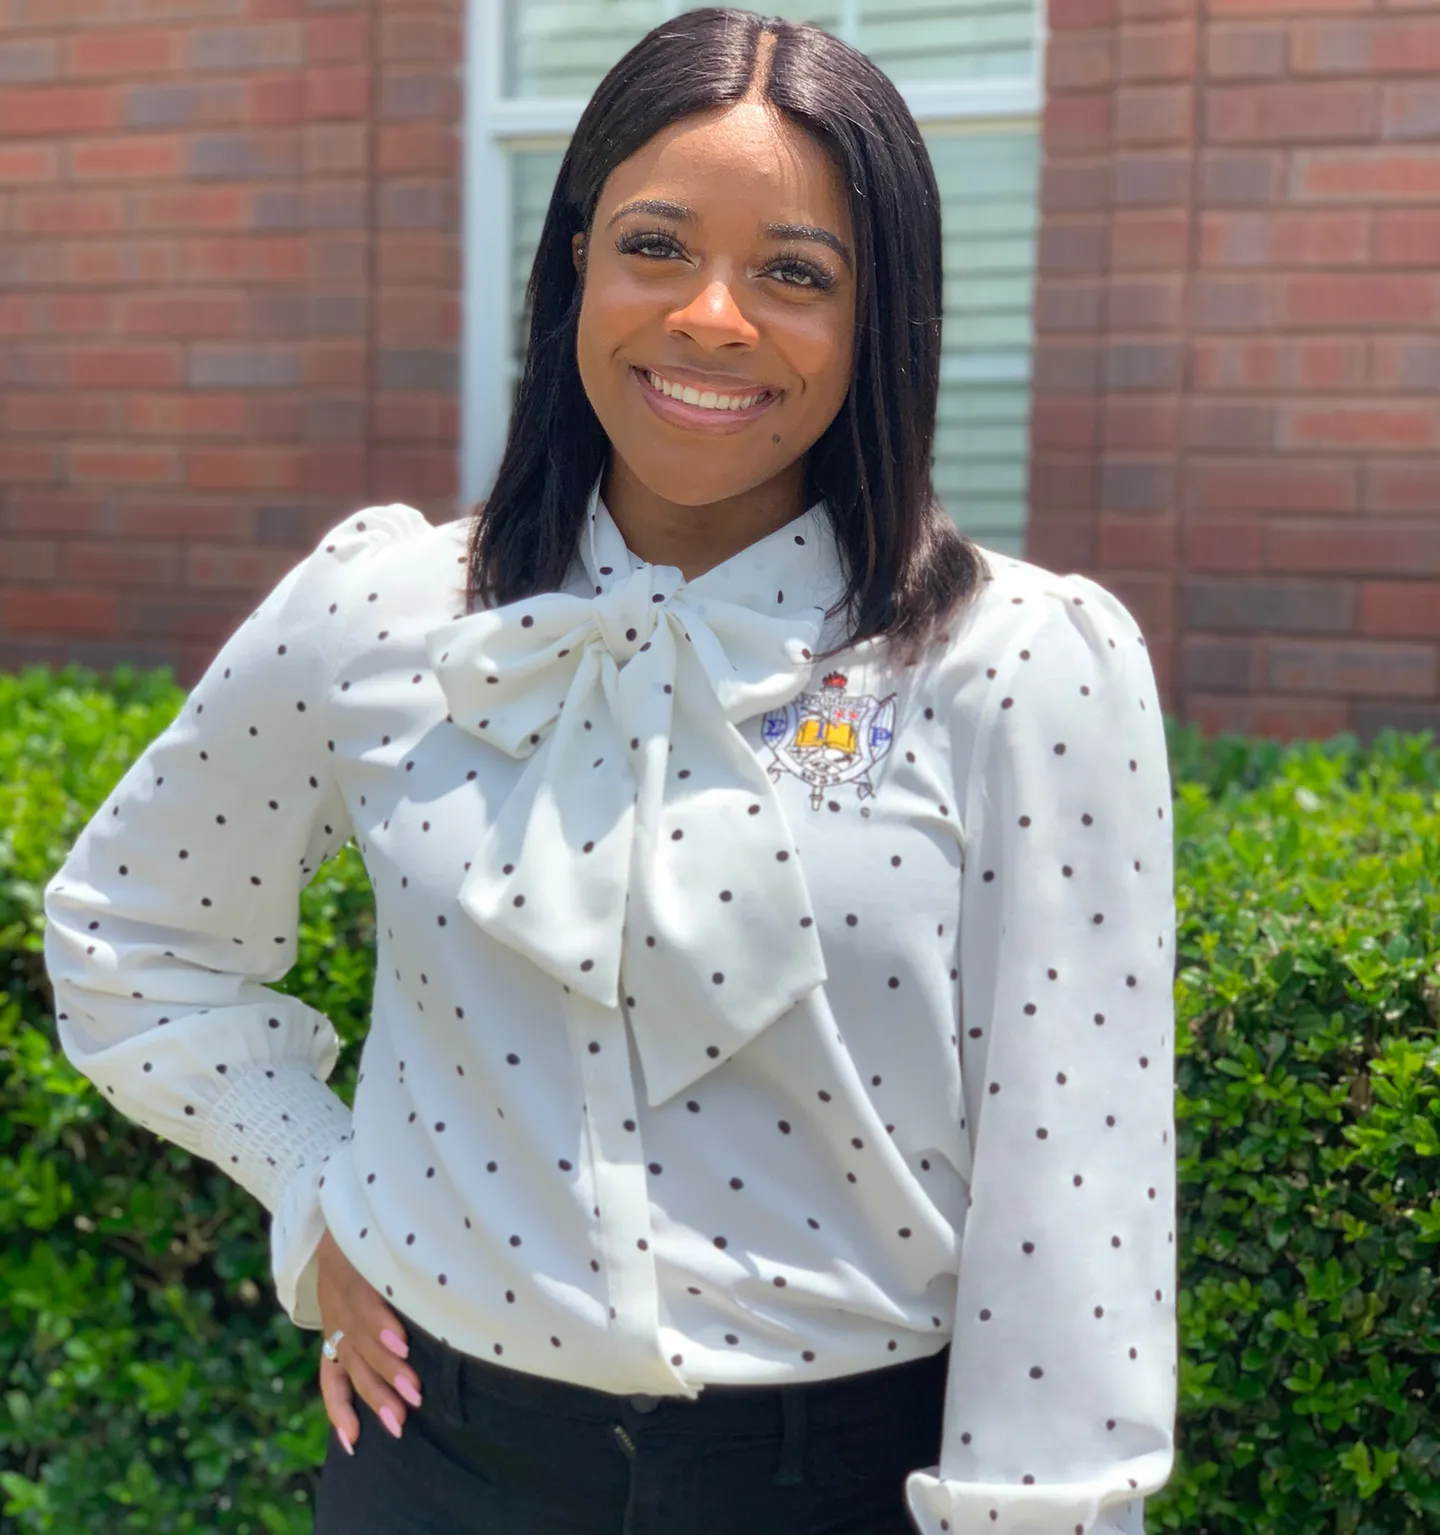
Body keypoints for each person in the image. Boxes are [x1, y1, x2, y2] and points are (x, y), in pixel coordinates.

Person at [41, 8, 1180, 1533]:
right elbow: (134, 934)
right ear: (574, 262)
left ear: (881, 315)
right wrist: (318, 1190)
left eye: (796, 271)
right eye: (656, 245)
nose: (714, 317)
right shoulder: (382, 609)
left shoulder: (1017, 661)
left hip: (837, 1485)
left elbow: (1077, 1185)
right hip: (436, 1463)